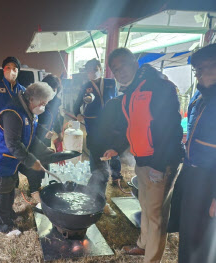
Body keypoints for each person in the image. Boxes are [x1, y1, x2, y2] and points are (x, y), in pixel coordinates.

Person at [104, 48, 184, 263]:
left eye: (124, 65)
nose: (120, 72)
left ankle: (152, 259)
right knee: (146, 207)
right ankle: (142, 245)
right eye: (116, 69)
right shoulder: (131, 91)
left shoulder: (159, 86)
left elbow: (171, 130)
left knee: (156, 215)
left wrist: (159, 166)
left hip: (161, 162)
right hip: (142, 160)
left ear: (135, 61)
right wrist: (117, 148)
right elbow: (133, 126)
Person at [0, 82, 55, 235]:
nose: (43, 106)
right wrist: (32, 162)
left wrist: (44, 151)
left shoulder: (29, 112)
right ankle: (2, 227)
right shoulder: (13, 113)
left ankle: (8, 215)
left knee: (8, 189)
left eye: (46, 103)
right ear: (31, 99)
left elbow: (30, 138)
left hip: (8, 161)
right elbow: (13, 144)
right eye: (42, 103)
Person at [168, 43, 216, 263]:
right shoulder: (199, 94)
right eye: (196, 69)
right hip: (191, 174)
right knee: (188, 231)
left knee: (204, 239)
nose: (199, 75)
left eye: (205, 68)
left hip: (210, 180)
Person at [73, 58, 120, 216]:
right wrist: (78, 114)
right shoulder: (86, 86)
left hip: (110, 128)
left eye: (93, 70)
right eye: (88, 71)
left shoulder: (111, 83)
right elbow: (76, 105)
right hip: (93, 129)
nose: (91, 73)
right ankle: (97, 200)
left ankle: (97, 199)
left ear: (100, 68)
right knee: (98, 168)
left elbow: (119, 101)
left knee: (105, 167)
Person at [19, 74, 64, 203]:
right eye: (51, 88)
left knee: (45, 162)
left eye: (55, 89)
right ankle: (34, 190)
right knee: (34, 164)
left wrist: (57, 132)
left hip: (44, 138)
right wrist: (43, 132)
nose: (53, 92)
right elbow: (34, 124)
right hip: (34, 137)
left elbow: (57, 118)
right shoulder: (37, 103)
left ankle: (43, 187)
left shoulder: (55, 102)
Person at [0, 56, 25, 126]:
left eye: (14, 68)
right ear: (3, 69)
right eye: (8, 68)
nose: (11, 71)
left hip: (16, 128)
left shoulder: (23, 90)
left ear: (18, 71)